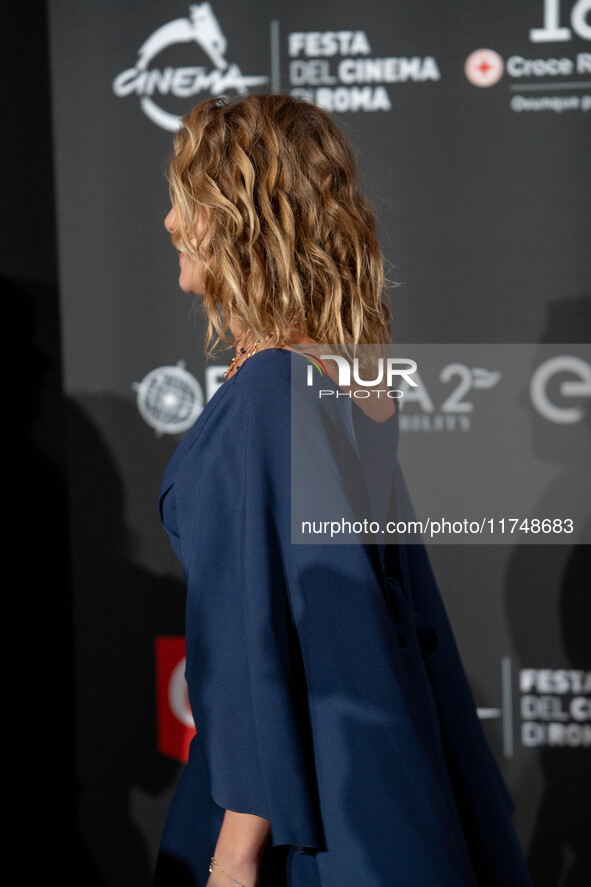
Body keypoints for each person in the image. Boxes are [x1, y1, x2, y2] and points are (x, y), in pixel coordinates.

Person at [154, 94, 533, 887]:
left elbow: (263, 644)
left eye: (183, 202)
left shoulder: (269, 395)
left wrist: (232, 857)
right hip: (377, 784)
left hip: (296, 813)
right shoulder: (343, 378)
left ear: (236, 218)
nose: (168, 224)